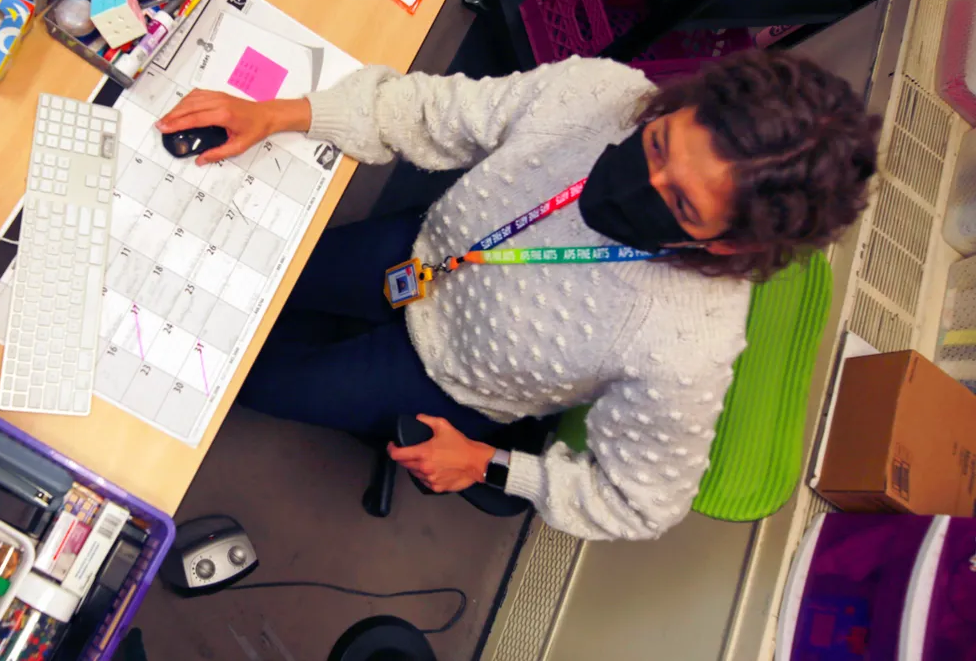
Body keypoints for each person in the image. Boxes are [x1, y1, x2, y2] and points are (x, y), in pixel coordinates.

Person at [156, 51, 879, 541]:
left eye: (682, 208)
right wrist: (284, 113)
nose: (640, 183)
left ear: (725, 246)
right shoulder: (600, 93)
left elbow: (642, 504)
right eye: (656, 146)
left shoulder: (686, 345)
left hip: (449, 379)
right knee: (227, 271)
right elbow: (429, 110)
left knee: (230, 372)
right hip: (424, 255)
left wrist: (493, 466)